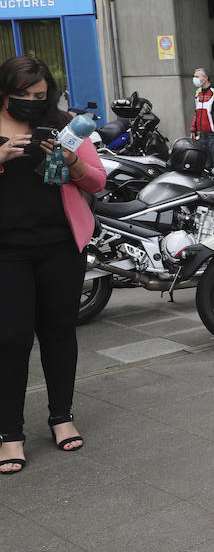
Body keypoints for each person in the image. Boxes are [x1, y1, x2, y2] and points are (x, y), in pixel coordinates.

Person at [0, 56, 107, 474]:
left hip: (61, 246)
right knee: (10, 338)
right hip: (6, 251)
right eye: (21, 95)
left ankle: (61, 416)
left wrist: (68, 158)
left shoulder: (64, 124)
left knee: (59, 333)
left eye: (38, 95)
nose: (30, 102)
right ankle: (10, 433)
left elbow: (97, 181)